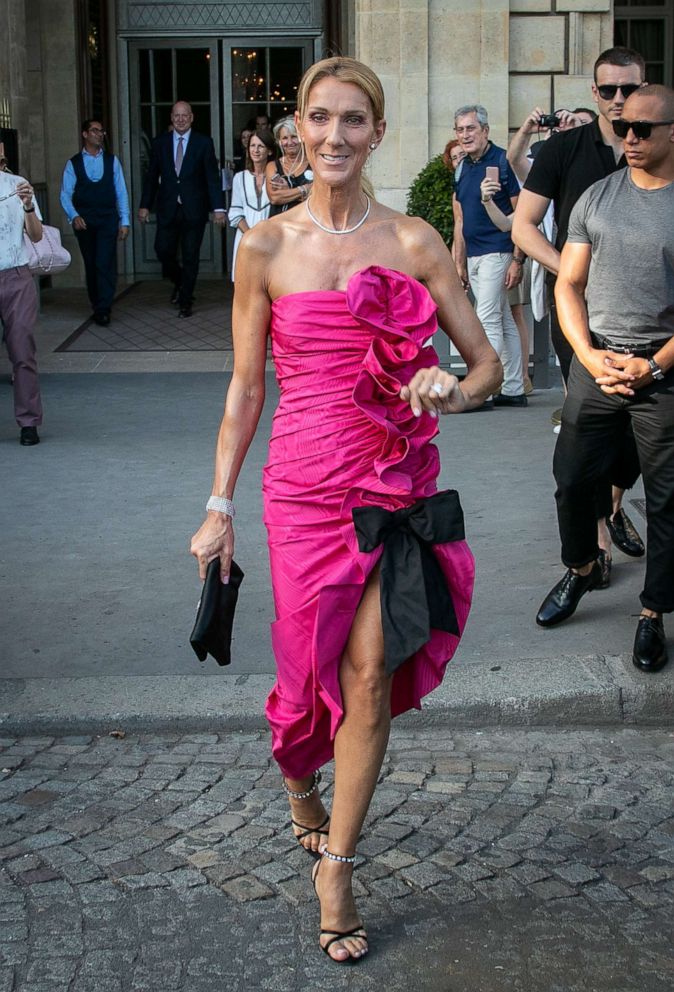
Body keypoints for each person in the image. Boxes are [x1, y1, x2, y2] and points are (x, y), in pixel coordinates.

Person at [190, 56, 501, 963]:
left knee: (368, 676)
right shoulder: (264, 246)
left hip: (392, 485)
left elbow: (483, 364)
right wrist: (220, 502)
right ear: (297, 126)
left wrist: (450, 384)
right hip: (300, 491)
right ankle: (299, 784)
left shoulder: (413, 241)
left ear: (377, 131)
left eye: (353, 121)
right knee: (300, 683)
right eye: (319, 119)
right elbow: (247, 390)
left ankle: (340, 866)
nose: (334, 136)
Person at [535, 84, 674, 674]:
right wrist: (589, 357)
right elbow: (568, 284)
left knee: (667, 500)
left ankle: (653, 613)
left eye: (643, 128)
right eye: (623, 129)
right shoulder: (598, 196)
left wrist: (656, 364)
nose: (630, 138)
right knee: (571, 477)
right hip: (599, 363)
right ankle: (582, 567)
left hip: (663, 370)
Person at [512, 47, 647, 572]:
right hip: (578, 315)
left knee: (639, 428)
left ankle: (613, 508)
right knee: (592, 425)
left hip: (650, 315)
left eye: (629, 89)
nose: (619, 99)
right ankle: (596, 538)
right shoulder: (564, 148)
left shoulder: (661, 146)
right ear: (595, 93)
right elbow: (523, 225)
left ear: (644, 88)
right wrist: (567, 269)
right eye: (608, 90)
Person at [452, 104, 527, 407]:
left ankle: (485, 389)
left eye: (471, 128)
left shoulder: (502, 161)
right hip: (476, 254)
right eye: (460, 129)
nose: (465, 135)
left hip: (499, 250)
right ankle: (512, 388)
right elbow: (460, 218)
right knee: (504, 320)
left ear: (485, 130)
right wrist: (459, 260)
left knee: (486, 319)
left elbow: (521, 213)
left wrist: (519, 258)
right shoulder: (462, 167)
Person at [138, 101, 225, 318]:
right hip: (168, 208)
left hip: (194, 209)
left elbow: (211, 178)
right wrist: (144, 205)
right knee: (162, 250)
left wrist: (219, 208)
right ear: (171, 117)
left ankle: (186, 301)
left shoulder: (203, 143)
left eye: (184, 115)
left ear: (192, 117)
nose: (180, 119)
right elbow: (151, 179)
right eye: (176, 115)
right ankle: (180, 282)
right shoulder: (160, 143)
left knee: (190, 256)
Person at [60, 119, 130, 327]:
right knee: (91, 264)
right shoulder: (73, 163)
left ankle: (104, 308)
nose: (99, 134)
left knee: (104, 262)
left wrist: (124, 220)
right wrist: (74, 215)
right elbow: (65, 194)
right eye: (94, 131)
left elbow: (121, 192)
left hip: (108, 218)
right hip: (85, 221)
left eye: (101, 131)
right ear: (84, 134)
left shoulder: (112, 161)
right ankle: (96, 303)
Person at [0, 166, 43, 445]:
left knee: (22, 348)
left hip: (16, 275)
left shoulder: (18, 185)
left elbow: (37, 235)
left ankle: (28, 422)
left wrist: (28, 206)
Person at [228, 128, 274, 280]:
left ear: (269, 151)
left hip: (271, 239)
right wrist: (250, 236)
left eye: (261, 146)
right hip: (246, 237)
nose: (256, 150)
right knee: (245, 284)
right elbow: (235, 213)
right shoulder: (239, 178)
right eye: (252, 146)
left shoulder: (278, 178)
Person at [265, 116, 313, 216]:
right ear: (279, 142)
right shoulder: (272, 166)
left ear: (302, 137)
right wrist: (305, 189)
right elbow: (274, 198)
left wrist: (287, 192)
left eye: (294, 136)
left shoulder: (314, 163)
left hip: (306, 224)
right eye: (285, 138)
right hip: (279, 226)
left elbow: (320, 196)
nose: (290, 142)